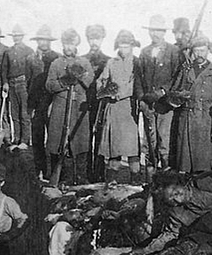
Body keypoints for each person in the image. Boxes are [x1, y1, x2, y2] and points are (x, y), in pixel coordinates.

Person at [46, 29, 93, 184]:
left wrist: (79, 76)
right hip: (60, 107)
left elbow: (90, 81)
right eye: (66, 44)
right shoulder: (56, 63)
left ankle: (81, 177)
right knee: (58, 141)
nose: (68, 47)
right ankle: (62, 178)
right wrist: (65, 82)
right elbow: (49, 85)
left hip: (79, 108)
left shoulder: (84, 63)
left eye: (71, 44)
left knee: (81, 143)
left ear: (76, 45)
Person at [171, 33, 212, 173]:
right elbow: (174, 91)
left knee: (205, 159)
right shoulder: (185, 69)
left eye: (203, 50)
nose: (200, 54)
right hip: (188, 117)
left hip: (206, 119)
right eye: (197, 50)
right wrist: (180, 95)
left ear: (208, 50)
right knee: (185, 159)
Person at [137, 15, 182, 174]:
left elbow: (177, 76)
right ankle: (150, 176)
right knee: (149, 140)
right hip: (149, 105)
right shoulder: (144, 52)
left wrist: (163, 92)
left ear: (164, 32)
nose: (155, 34)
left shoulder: (173, 52)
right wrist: (142, 99)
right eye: (152, 31)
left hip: (165, 105)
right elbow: (138, 77)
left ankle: (167, 174)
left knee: (165, 140)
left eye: (158, 31)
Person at [96, 30, 142, 183]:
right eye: (121, 47)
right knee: (113, 147)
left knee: (132, 147)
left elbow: (136, 85)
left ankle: (135, 182)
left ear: (132, 47)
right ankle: (112, 182)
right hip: (113, 109)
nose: (124, 50)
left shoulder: (137, 63)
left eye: (127, 47)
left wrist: (120, 93)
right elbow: (101, 80)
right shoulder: (111, 62)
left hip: (128, 108)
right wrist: (104, 89)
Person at [28, 25, 60, 179]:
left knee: (54, 139)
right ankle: (39, 170)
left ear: (50, 41)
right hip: (37, 104)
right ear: (37, 41)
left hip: (53, 103)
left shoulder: (57, 58)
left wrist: (55, 103)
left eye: (46, 40)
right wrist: (31, 106)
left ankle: (55, 172)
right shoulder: (31, 58)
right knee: (37, 138)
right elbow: (30, 83)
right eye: (41, 39)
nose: (43, 42)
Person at [2, 25, 37, 149]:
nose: (16, 38)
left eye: (18, 35)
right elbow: (4, 69)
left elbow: (33, 71)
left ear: (22, 36)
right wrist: (5, 83)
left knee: (24, 114)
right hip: (12, 85)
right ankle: (16, 138)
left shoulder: (29, 51)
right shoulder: (8, 52)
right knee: (14, 114)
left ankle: (25, 140)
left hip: (24, 85)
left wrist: (30, 86)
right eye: (14, 36)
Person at [83, 24, 111, 181]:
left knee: (100, 138)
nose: (94, 42)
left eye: (97, 38)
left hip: (101, 104)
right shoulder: (82, 60)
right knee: (85, 138)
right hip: (84, 105)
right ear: (87, 39)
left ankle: (99, 173)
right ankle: (86, 172)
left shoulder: (108, 61)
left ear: (102, 39)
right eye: (91, 38)